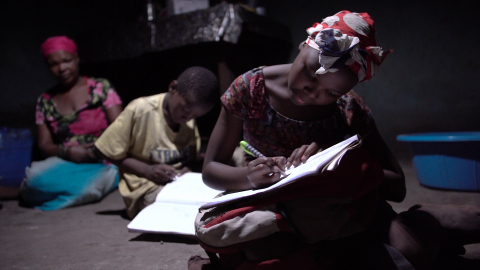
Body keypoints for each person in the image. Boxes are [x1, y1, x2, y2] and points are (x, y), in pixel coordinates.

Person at [195, 11, 480, 270]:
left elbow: (397, 186)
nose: (312, 92)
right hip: (283, 210)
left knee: (410, 255)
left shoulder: (347, 109)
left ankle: (424, 222)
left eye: (331, 92)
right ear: (304, 45)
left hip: (346, 207)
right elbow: (211, 171)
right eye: (309, 71)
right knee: (264, 253)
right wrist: (248, 176)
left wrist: (340, 163)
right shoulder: (250, 90)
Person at [94, 66, 219, 219]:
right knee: (187, 210)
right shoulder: (141, 110)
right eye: (185, 111)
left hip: (178, 183)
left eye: (195, 116)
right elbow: (104, 149)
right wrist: (147, 170)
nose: (188, 118)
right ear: (173, 88)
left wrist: (188, 169)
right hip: (145, 187)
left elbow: (191, 160)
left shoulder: (188, 120)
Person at [20, 36, 123, 211]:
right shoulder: (45, 101)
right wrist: (68, 151)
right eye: (53, 64)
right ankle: (72, 191)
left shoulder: (100, 87)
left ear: (76, 58)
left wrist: (92, 148)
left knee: (90, 187)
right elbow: (44, 145)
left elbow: (120, 129)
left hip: (105, 159)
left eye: (66, 60)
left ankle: (64, 195)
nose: (61, 68)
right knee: (33, 178)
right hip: (70, 162)